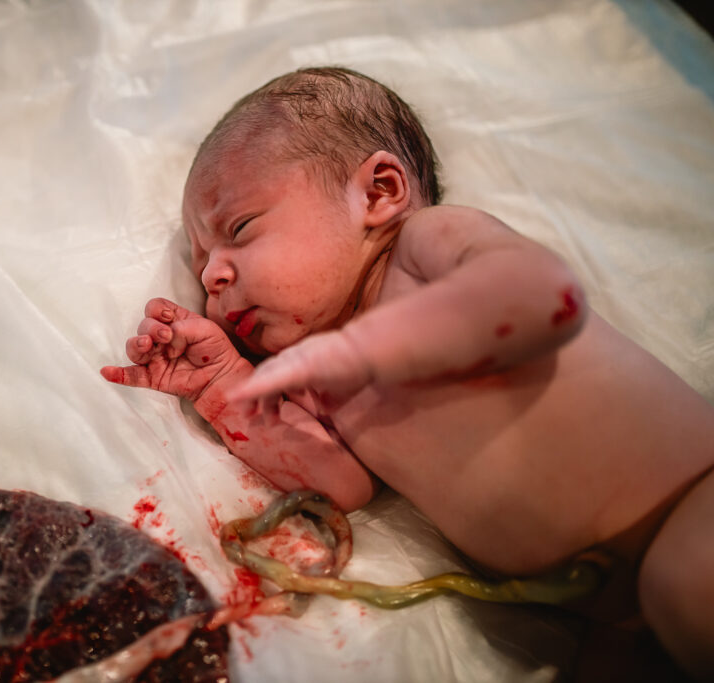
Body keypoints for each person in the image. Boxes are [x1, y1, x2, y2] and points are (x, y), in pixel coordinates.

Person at [100, 67, 714, 678]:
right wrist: (221, 387)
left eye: (238, 230)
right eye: (202, 261)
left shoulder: (429, 248)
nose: (211, 277)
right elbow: (340, 485)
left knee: (687, 586)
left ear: (379, 192)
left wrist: (376, 346)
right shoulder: (311, 379)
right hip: (612, 615)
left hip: (689, 503)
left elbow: (542, 295)